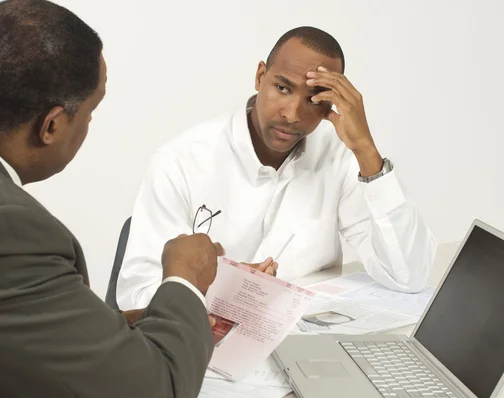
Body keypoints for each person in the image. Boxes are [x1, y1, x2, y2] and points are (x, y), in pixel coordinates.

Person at [0, 1, 224, 397]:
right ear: (51, 125)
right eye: (90, 113)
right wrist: (185, 278)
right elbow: (156, 390)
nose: (88, 126)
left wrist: (109, 330)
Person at [117, 26, 437, 310]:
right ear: (260, 77)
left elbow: (408, 276)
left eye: (314, 100)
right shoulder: (181, 162)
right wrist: (225, 289)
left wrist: (366, 149)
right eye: (282, 88)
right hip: (203, 348)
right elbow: (136, 296)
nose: (293, 114)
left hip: (304, 346)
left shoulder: (341, 159)